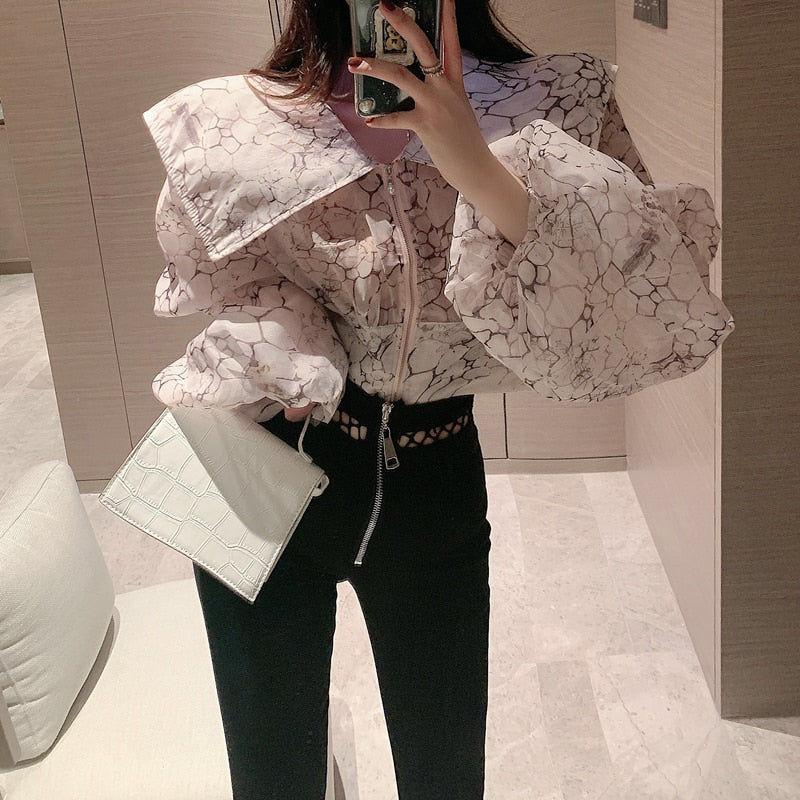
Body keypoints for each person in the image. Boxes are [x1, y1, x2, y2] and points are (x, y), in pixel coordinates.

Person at [142, 0, 721, 797]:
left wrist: (472, 160)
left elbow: (644, 302)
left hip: (430, 478)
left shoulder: (556, 102)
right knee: (271, 774)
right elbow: (230, 278)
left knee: (443, 773)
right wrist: (284, 343)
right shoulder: (232, 120)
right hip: (256, 465)